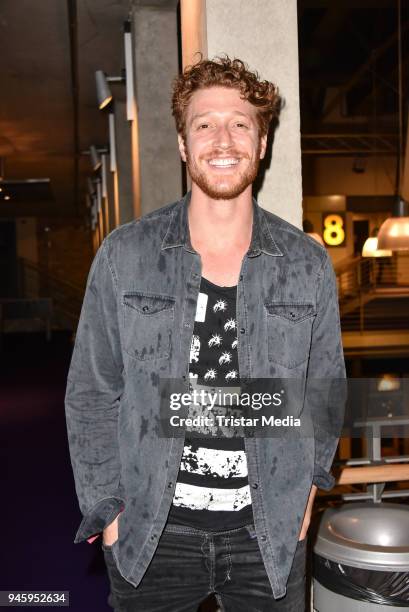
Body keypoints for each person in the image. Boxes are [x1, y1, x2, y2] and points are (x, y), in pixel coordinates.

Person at [65, 56, 346, 611]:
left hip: (268, 536)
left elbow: (323, 393)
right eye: (204, 123)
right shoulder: (126, 255)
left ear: (262, 144)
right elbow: (92, 392)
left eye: (240, 123)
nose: (223, 138)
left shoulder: (306, 264)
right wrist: (109, 507)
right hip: (150, 534)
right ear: (182, 144)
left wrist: (308, 491)